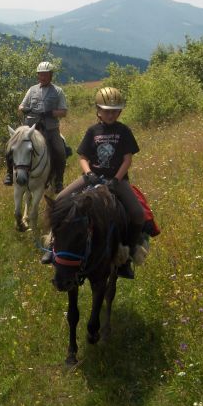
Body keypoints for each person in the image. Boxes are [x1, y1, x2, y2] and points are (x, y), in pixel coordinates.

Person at [53, 86, 145, 279]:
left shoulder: (124, 131)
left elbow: (127, 159)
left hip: (116, 180)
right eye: (106, 111)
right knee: (59, 202)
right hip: (92, 177)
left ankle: (126, 254)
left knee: (137, 214)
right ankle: (53, 246)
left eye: (114, 111)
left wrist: (116, 180)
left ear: (119, 112)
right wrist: (89, 174)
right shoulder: (92, 130)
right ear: (98, 110)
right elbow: (83, 156)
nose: (110, 115)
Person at [3, 61, 68, 193]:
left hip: (50, 129)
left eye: (45, 75)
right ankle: (9, 174)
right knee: (10, 147)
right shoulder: (32, 90)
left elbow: (64, 111)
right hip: (30, 129)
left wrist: (51, 113)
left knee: (60, 150)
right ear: (38, 76)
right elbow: (20, 107)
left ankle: (59, 181)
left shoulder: (58, 91)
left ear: (51, 76)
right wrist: (25, 109)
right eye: (40, 75)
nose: (43, 77)